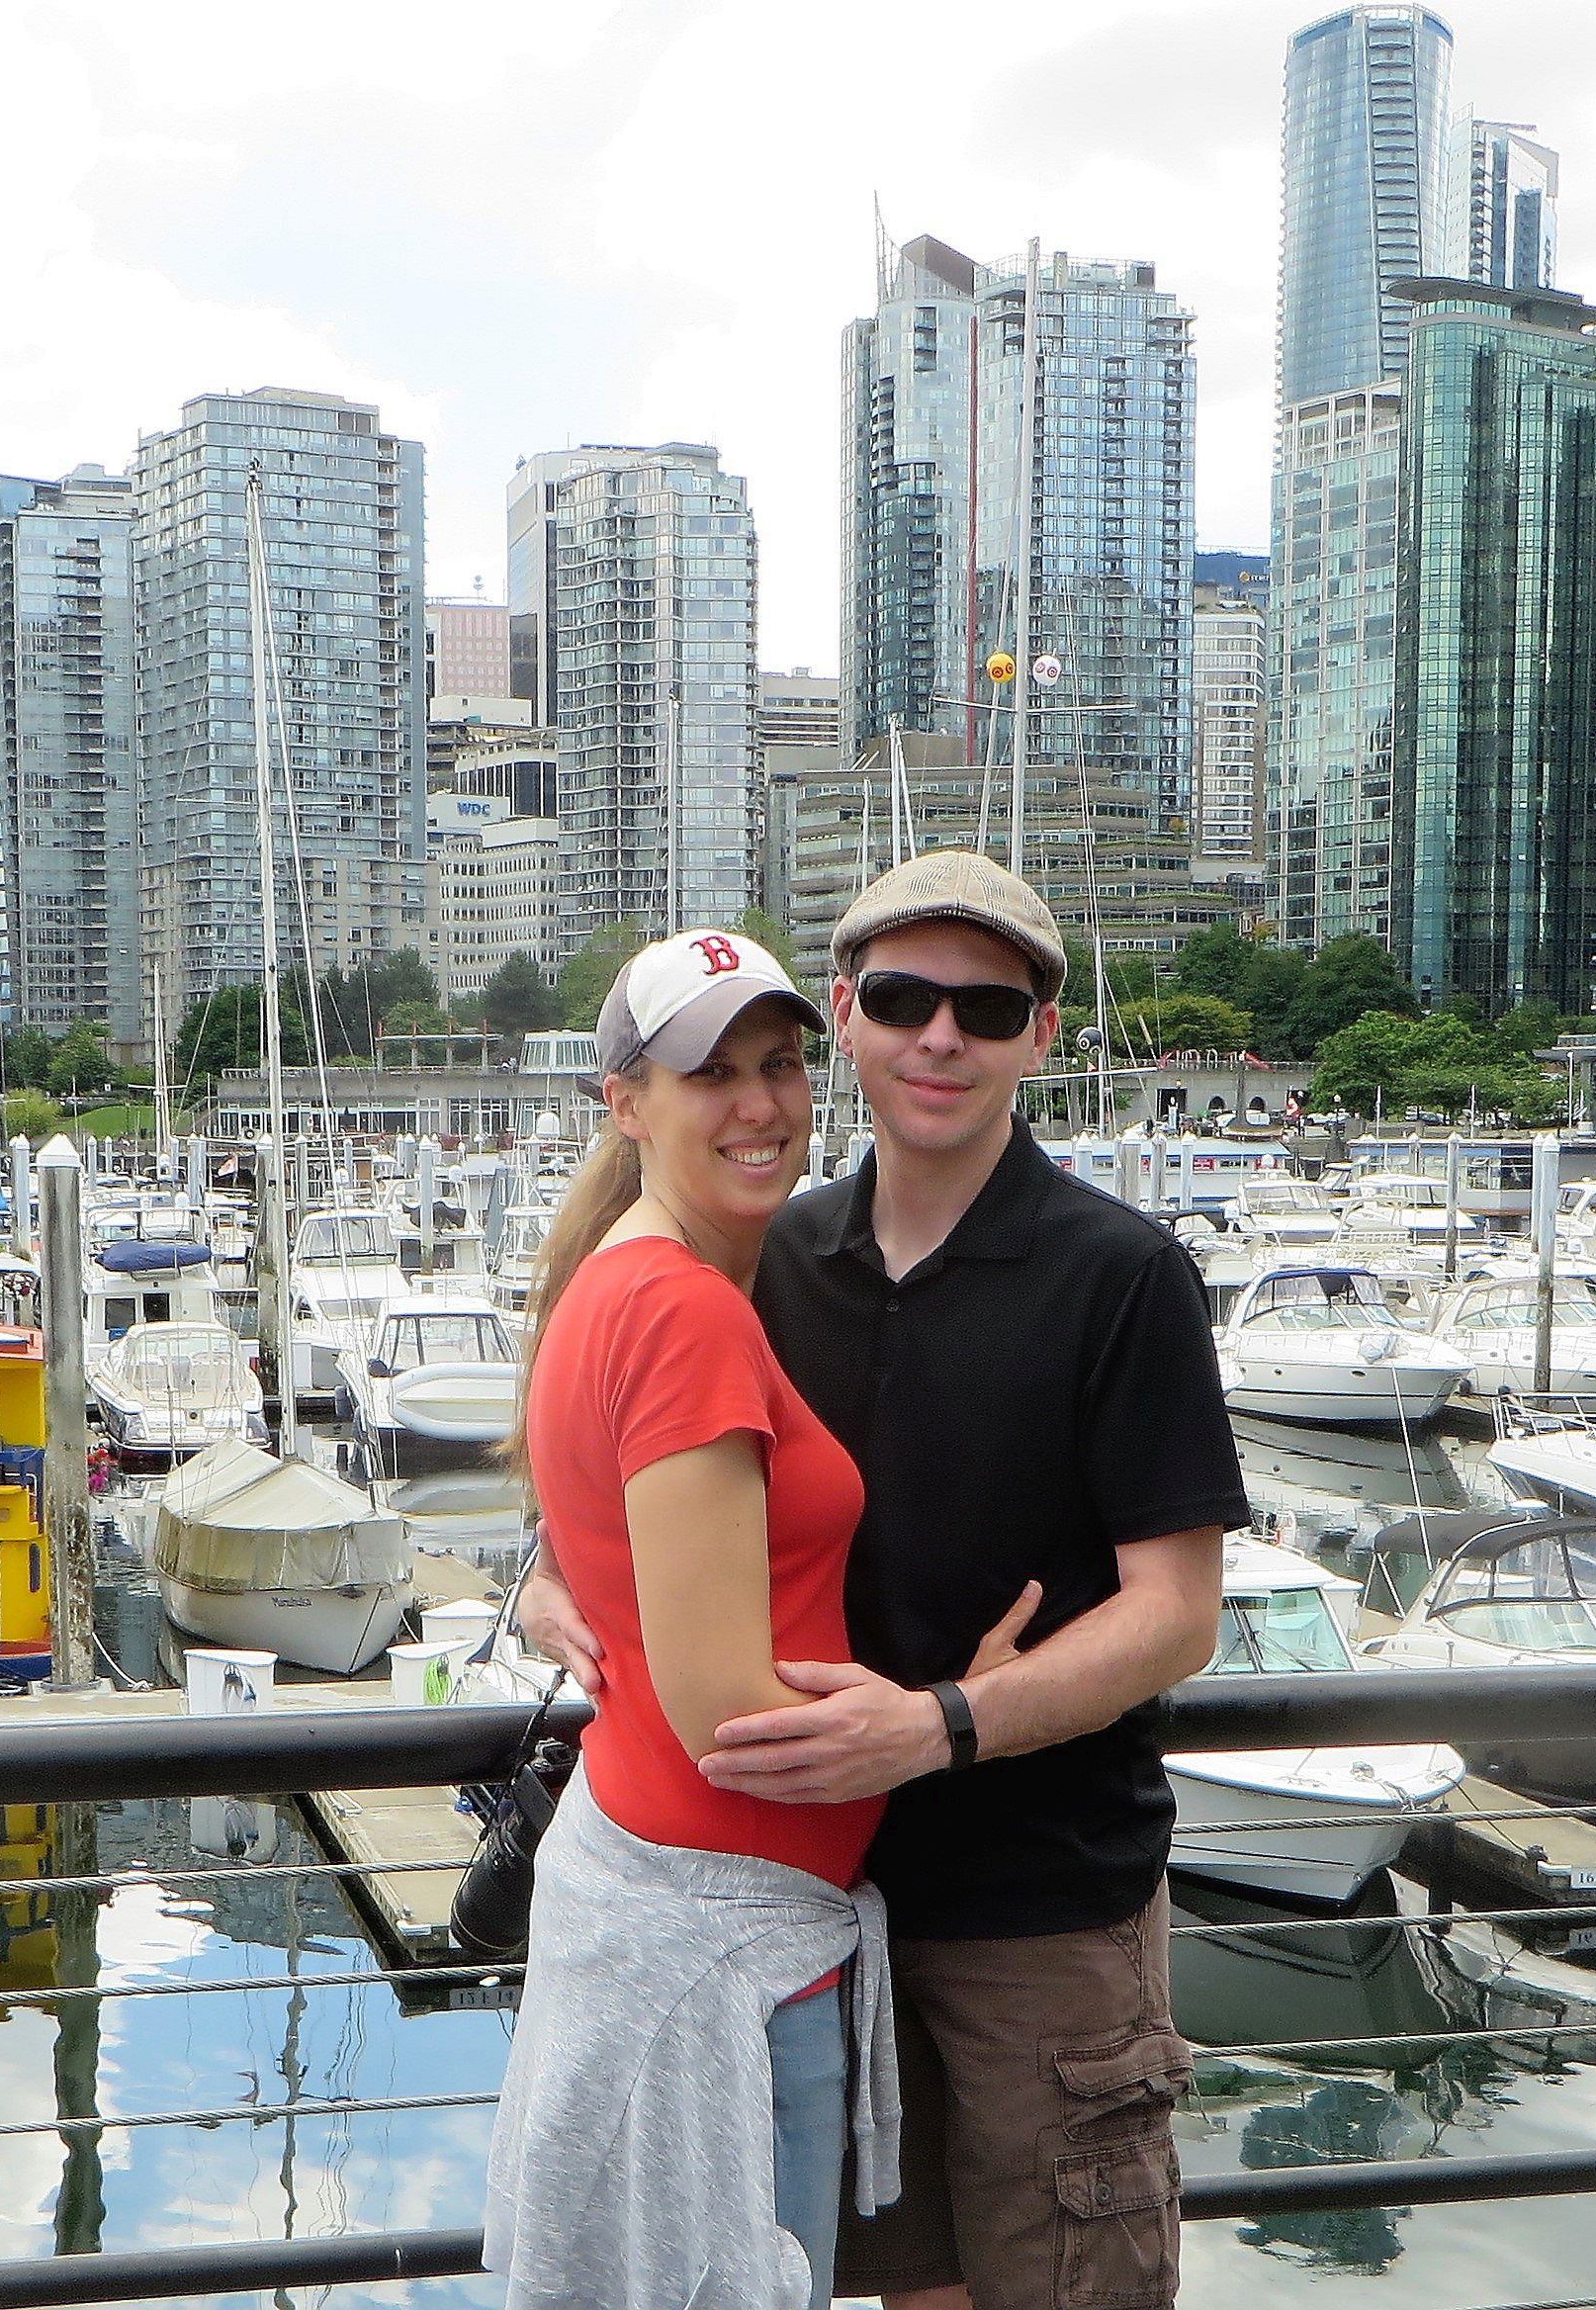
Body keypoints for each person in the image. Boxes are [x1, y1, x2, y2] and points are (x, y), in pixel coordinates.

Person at [521, 852, 1247, 2309]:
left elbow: (1179, 1613)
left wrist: (942, 1723)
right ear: (850, 1017)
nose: (942, 1038)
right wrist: (550, 1573)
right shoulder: (774, 1256)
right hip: (833, 1912)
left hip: (1041, 1909)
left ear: (1043, 1035)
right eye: (907, 999)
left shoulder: (1121, 1274)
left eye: (989, 1009)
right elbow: (652, 1459)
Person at [484, 928, 901, 2310]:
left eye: (779, 1064)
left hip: (662, 1918)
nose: (760, 1104)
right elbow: (728, 1710)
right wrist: (954, 1717)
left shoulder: (619, 1280)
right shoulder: (682, 1312)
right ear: (626, 1102)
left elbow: (614, 1549)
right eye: (711, 1073)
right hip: (720, 1962)